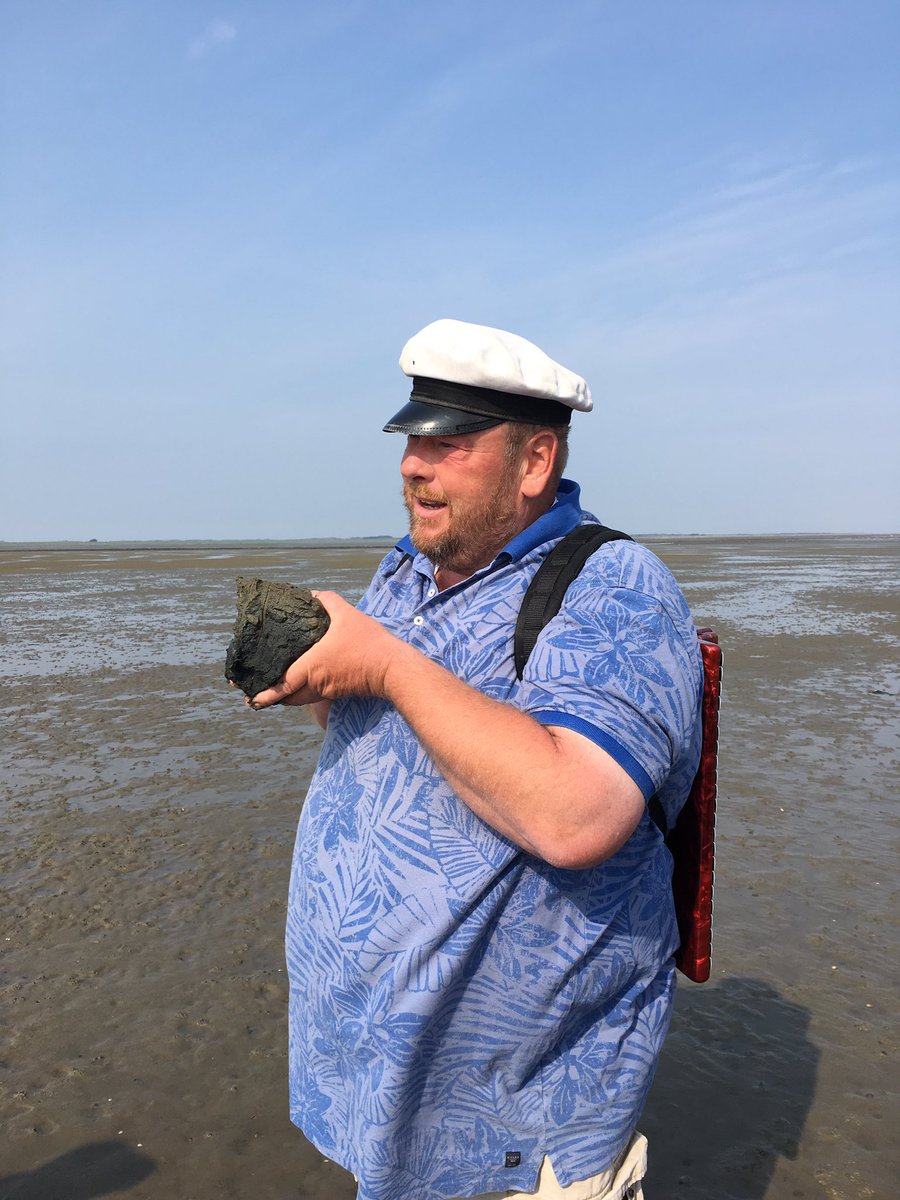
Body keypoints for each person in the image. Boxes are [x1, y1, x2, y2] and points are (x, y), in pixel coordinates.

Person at [249, 319, 704, 1200]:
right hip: (386, 1095)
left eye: (450, 442)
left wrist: (382, 663)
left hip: (513, 1131)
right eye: (412, 438)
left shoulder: (616, 587)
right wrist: (334, 688)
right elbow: (401, 739)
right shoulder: (409, 568)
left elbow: (579, 814)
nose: (415, 464)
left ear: (534, 463)